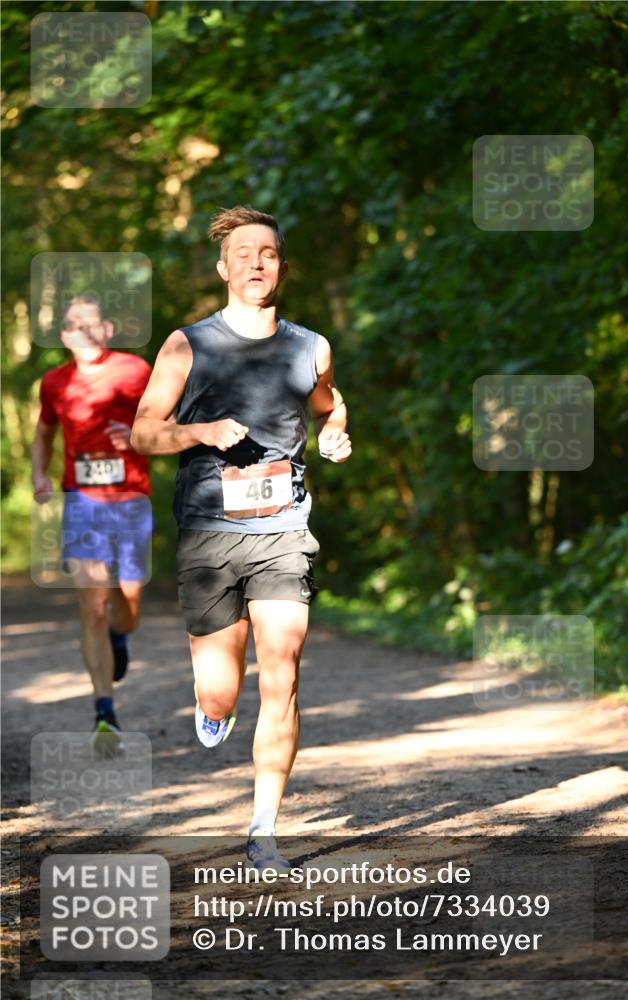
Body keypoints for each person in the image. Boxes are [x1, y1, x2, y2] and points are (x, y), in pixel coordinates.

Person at [131, 205, 351, 869]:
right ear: (223, 268)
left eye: (269, 254)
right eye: (244, 254)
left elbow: (328, 404)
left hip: (284, 528)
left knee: (281, 675)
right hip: (208, 531)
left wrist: (336, 432)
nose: (257, 264)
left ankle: (263, 831)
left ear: (280, 266)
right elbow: (144, 431)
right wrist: (199, 432)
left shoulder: (309, 346)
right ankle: (212, 705)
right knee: (223, 689)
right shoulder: (186, 345)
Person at [31, 294, 153, 749]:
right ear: (63, 335)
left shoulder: (136, 371)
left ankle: (122, 637)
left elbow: (169, 423)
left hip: (131, 499)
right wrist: (40, 475)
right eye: (72, 324)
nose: (82, 330)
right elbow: (43, 434)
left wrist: (137, 438)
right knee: (93, 606)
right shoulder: (55, 383)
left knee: (128, 605)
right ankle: (105, 711)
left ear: (106, 330)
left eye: (90, 322)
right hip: (81, 500)